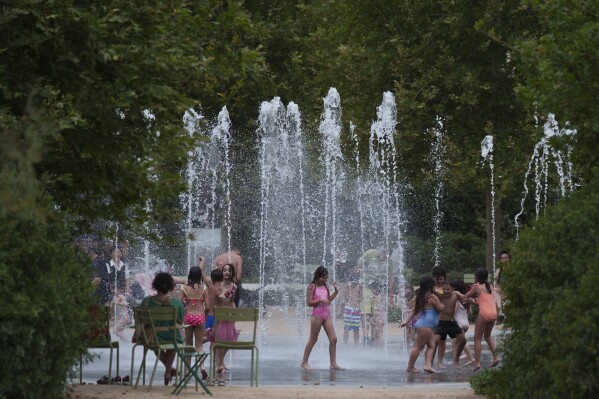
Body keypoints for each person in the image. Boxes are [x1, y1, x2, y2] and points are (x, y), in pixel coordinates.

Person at [139, 272, 185, 386]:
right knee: (174, 341)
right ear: (170, 286)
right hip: (171, 337)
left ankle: (168, 370)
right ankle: (168, 372)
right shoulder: (176, 303)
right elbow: (180, 321)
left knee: (156, 343)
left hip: (152, 338)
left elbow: (141, 319)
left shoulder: (147, 301)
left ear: (155, 285)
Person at [455, 267, 501, 371]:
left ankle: (477, 363)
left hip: (484, 314)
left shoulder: (476, 287)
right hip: (493, 314)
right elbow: (481, 302)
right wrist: (471, 301)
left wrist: (457, 292)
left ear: (478, 277)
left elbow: (463, 297)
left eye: (474, 275)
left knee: (477, 338)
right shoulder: (491, 286)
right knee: (488, 336)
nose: (473, 277)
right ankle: (495, 357)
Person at [300, 266, 344, 370]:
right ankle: (304, 362)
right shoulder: (311, 287)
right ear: (318, 276)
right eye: (323, 278)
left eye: (326, 278)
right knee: (313, 339)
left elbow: (328, 300)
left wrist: (336, 292)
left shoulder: (326, 286)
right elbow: (309, 303)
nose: (325, 280)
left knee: (334, 339)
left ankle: (333, 363)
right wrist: (320, 300)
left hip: (326, 315)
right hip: (317, 316)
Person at [399, 275, 444, 373]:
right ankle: (410, 366)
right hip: (425, 326)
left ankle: (427, 365)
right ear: (431, 284)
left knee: (431, 345)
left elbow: (414, 311)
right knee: (418, 346)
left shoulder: (420, 297)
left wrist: (406, 321)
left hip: (425, 325)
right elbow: (440, 308)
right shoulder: (431, 296)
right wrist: (441, 305)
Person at [178, 262, 208, 380]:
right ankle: (202, 367)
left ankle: (186, 370)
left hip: (188, 317)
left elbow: (178, 303)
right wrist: (203, 315)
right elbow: (209, 306)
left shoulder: (184, 288)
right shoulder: (203, 289)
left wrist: (185, 309)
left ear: (189, 276)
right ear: (200, 277)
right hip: (200, 317)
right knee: (199, 345)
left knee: (188, 344)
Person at [433, 281, 467, 369]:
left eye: (448, 289)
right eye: (444, 289)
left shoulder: (455, 295)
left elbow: (464, 303)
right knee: (438, 342)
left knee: (463, 340)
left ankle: (456, 360)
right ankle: (439, 362)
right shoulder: (440, 296)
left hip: (452, 323)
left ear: (452, 289)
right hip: (441, 323)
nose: (446, 291)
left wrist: (469, 302)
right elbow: (433, 290)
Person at [451, 279, 475, 366]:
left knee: (461, 341)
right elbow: (470, 312)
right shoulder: (466, 299)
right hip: (465, 323)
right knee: (455, 342)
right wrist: (465, 319)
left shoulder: (456, 300)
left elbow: (454, 311)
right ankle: (455, 360)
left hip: (458, 323)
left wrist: (451, 320)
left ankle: (471, 357)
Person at [342, 267, 362, 346]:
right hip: (350, 309)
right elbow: (346, 296)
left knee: (354, 329)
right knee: (348, 329)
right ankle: (347, 345)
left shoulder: (359, 286)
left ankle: (354, 347)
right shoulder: (349, 285)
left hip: (354, 309)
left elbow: (361, 297)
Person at [495, 251, 510, 323]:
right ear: (500, 259)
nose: (504, 259)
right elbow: (495, 282)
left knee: (496, 294)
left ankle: (500, 314)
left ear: (509, 259)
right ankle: (500, 313)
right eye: (502, 258)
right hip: (501, 291)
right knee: (495, 291)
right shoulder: (498, 270)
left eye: (506, 258)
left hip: (510, 291)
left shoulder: (512, 269)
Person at [370, 282, 386, 347]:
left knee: (378, 334)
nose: (371, 291)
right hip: (382, 316)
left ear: (376, 289)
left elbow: (377, 310)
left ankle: (380, 349)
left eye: (372, 289)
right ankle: (379, 349)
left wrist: (373, 318)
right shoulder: (382, 296)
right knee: (378, 333)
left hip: (378, 316)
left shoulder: (378, 297)